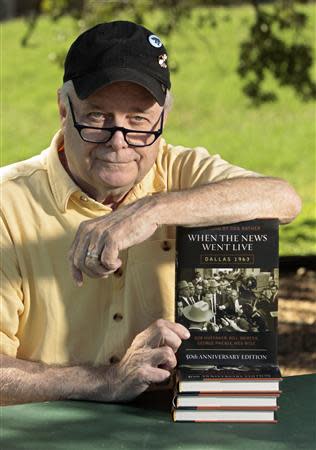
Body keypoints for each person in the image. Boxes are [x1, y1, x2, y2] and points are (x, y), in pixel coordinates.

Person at [0, 20, 301, 405]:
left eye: (138, 120)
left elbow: (283, 199)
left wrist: (151, 210)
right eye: (97, 117)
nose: (118, 141)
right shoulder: (9, 204)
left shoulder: (182, 172)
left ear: (163, 119)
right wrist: (105, 381)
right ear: (63, 109)